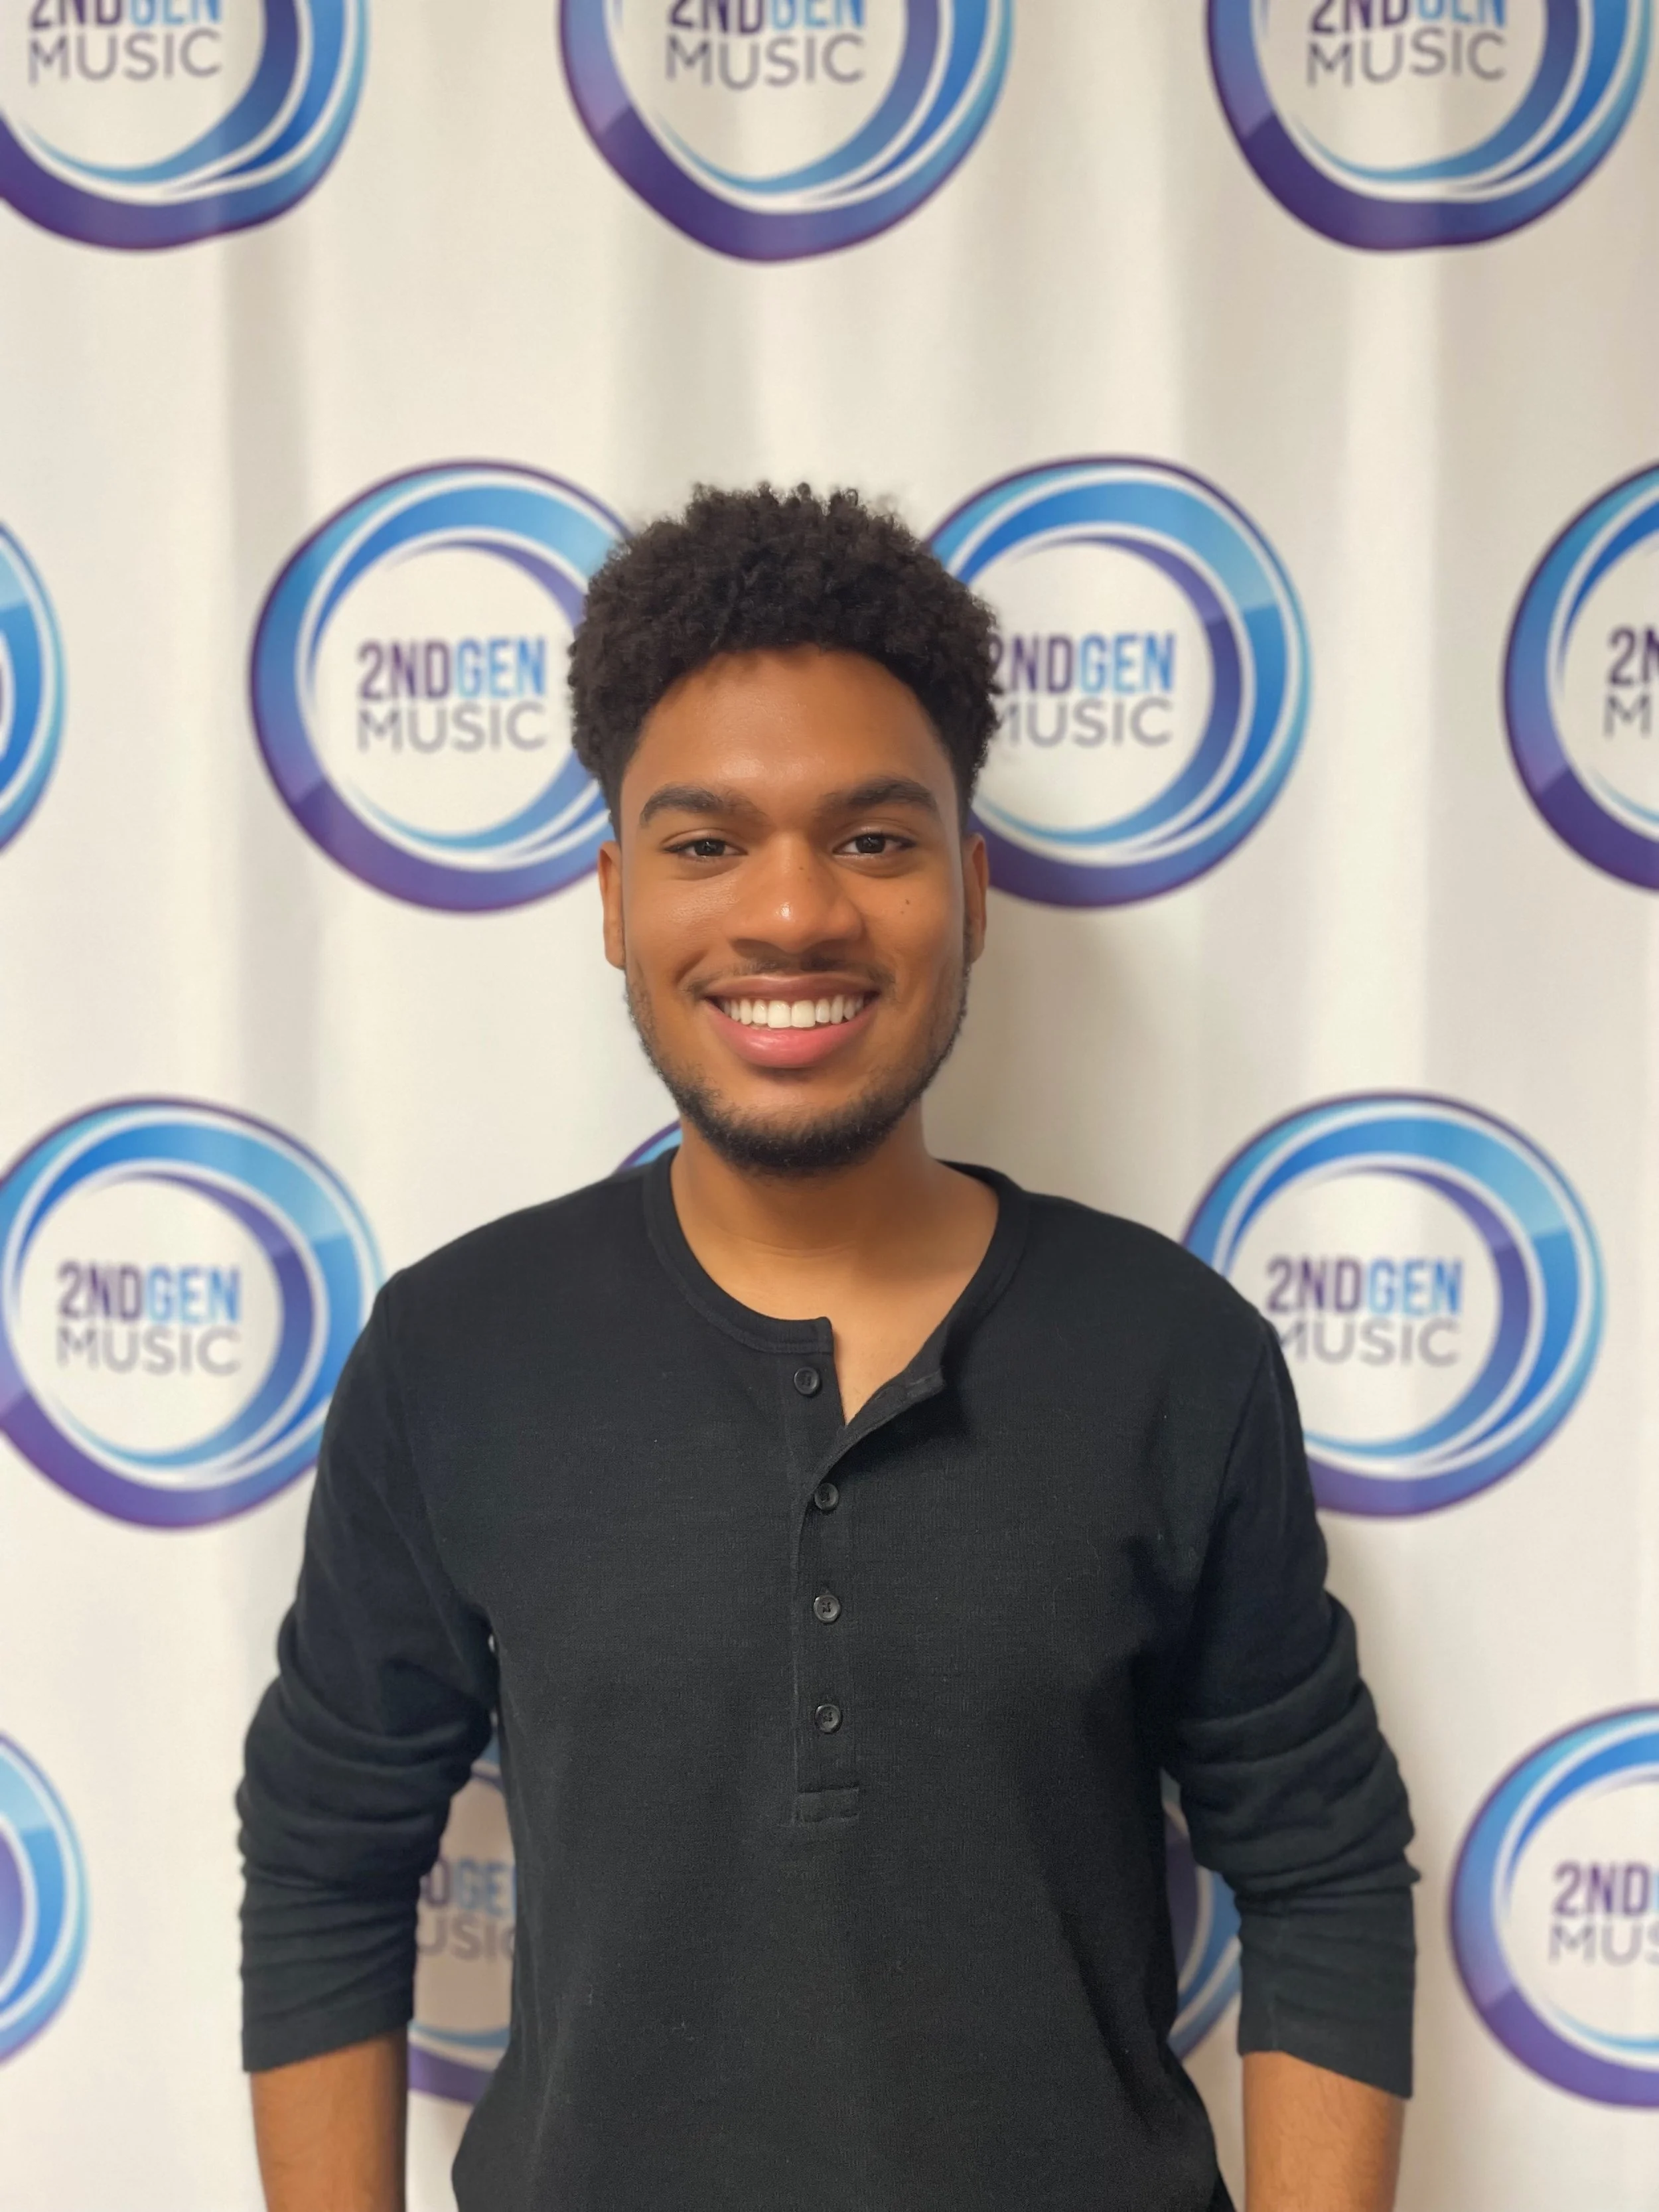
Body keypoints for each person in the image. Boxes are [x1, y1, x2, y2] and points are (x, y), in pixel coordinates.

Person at [239, 484, 1415, 2212]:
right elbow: (328, 1857)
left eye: (872, 837)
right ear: (612, 895)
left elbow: (1317, 1865)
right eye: (705, 842)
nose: (790, 915)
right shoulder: (458, 1351)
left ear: (974, 884)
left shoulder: (1173, 1356)